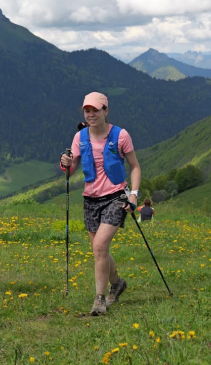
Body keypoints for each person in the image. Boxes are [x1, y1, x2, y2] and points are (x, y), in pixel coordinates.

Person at [60, 92, 141, 316]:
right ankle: (117, 283)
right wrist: (65, 163)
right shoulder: (80, 137)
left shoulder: (120, 136)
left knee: (99, 247)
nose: (91, 114)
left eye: (96, 110)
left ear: (106, 110)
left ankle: (100, 299)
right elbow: (71, 169)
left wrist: (133, 195)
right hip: (91, 199)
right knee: (100, 251)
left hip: (116, 197)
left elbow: (135, 166)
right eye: (88, 110)